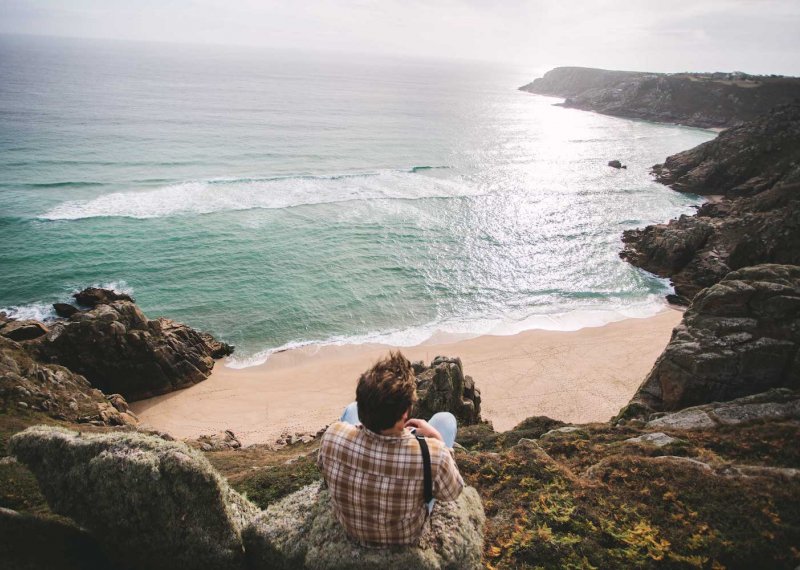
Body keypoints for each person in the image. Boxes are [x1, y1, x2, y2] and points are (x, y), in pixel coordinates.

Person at [316, 351, 464, 547]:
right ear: (405, 415)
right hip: (404, 536)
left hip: (351, 528)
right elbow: (452, 492)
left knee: (349, 409)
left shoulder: (333, 434)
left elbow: (322, 468)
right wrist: (437, 441)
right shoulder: (432, 455)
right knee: (445, 420)